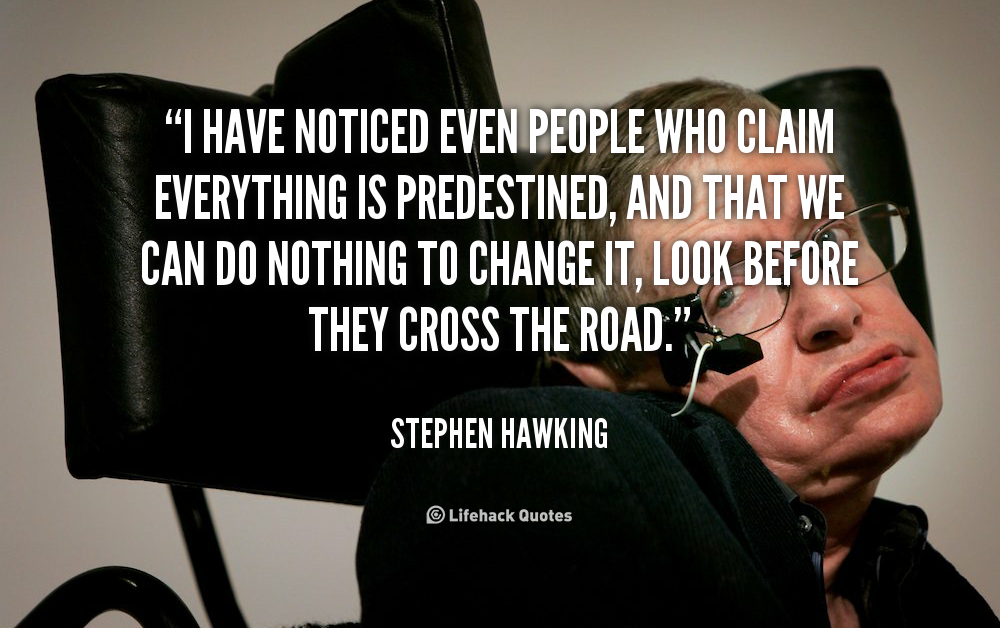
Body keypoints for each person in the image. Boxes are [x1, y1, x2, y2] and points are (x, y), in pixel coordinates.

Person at [356, 80, 998, 627]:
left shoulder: (928, 592)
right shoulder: (520, 474)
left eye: (831, 237)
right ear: (608, 366)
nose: (835, 308)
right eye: (729, 290)